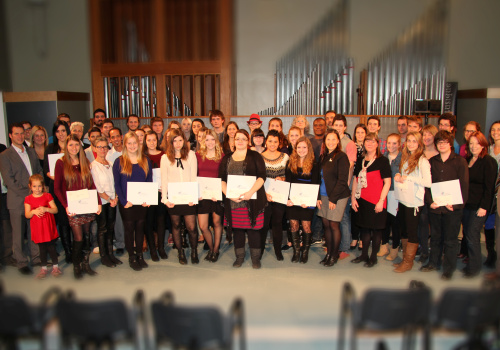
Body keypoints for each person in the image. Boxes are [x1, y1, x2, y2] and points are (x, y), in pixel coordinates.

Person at [421, 130, 469, 280]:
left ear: (450, 144)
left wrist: (456, 205)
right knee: (435, 237)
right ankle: (433, 263)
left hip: (452, 209)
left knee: (450, 240)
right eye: (439, 142)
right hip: (436, 207)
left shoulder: (460, 161)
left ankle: (448, 268)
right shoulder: (432, 161)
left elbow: (464, 185)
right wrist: (430, 202)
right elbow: (427, 185)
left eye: (444, 142)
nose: (442, 145)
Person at [54, 134, 102, 279]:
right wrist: (66, 206)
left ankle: (86, 264)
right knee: (78, 237)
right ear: (66, 147)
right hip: (73, 207)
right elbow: (57, 188)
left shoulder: (85, 161)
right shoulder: (60, 163)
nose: (74, 148)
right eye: (71, 145)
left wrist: (98, 202)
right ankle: (77, 266)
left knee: (87, 236)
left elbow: (92, 184)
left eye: (76, 145)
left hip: (87, 205)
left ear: (80, 146)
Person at [0, 123, 44, 275]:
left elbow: (38, 171)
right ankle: (21, 262)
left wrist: (39, 189)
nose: (20, 136)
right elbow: (9, 181)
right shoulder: (5, 155)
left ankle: (37, 258)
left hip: (34, 199)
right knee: (18, 234)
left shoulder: (31, 152)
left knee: (34, 231)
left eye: (21, 133)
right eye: (16, 134)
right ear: (11, 136)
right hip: (17, 201)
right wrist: (29, 193)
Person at [219, 129, 267, 269]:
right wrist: (229, 194)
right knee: (238, 230)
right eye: (237, 138)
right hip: (232, 201)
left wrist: (250, 192)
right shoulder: (226, 158)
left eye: (243, 139)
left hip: (252, 200)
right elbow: (221, 179)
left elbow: (262, 176)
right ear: (233, 141)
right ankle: (239, 257)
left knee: (254, 230)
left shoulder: (255, 156)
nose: (240, 141)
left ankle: (255, 258)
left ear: (248, 141)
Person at [392, 132, 432, 273]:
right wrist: (398, 175)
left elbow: (428, 182)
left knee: (412, 231)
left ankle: (408, 262)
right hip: (404, 199)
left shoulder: (422, 160)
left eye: (414, 141)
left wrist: (409, 178)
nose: (411, 143)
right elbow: (402, 173)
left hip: (414, 201)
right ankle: (404, 259)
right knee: (404, 229)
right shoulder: (405, 157)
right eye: (409, 141)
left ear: (419, 143)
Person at [351, 133, 391, 268]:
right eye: (367, 141)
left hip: (376, 201)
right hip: (362, 200)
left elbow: (387, 182)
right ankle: (363, 255)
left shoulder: (382, 161)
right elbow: (356, 181)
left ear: (377, 143)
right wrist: (353, 198)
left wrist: (381, 201)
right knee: (364, 230)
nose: (369, 143)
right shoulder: (361, 160)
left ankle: (373, 257)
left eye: (372, 141)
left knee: (376, 230)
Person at [113, 131, 152, 271]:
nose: (132, 146)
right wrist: (123, 201)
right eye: (129, 143)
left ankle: (140, 255)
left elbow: (149, 181)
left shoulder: (145, 160)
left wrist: (148, 199)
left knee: (140, 228)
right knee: (129, 229)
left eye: (134, 143)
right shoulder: (119, 161)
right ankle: (132, 257)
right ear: (125, 145)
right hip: (127, 203)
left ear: (139, 143)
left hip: (142, 202)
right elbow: (117, 184)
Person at [461, 131, 497, 277]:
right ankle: (472, 263)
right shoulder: (468, 160)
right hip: (467, 204)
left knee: (472, 234)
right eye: (471, 143)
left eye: (477, 143)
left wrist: (484, 207)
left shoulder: (489, 161)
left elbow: (489, 188)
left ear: (483, 145)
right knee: (467, 234)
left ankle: (474, 268)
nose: (474, 146)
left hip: (479, 207)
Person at [161, 129, 198, 265]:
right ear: (170, 142)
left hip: (189, 197)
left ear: (184, 141)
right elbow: (164, 180)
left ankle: (194, 251)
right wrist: (165, 199)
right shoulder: (165, 158)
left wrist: (193, 197)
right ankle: (180, 252)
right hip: (173, 198)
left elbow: (194, 177)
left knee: (191, 227)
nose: (177, 143)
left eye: (180, 140)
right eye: (174, 141)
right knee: (176, 225)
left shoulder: (191, 155)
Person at [317, 130, 350, 267]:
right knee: (326, 225)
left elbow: (342, 180)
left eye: (333, 139)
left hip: (337, 196)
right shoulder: (323, 156)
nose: (330, 142)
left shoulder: (341, 157)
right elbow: (318, 179)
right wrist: (318, 196)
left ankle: (334, 255)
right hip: (323, 196)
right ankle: (329, 253)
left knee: (334, 225)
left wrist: (333, 199)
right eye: (328, 139)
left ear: (338, 141)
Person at [285, 136, 319, 261]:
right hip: (293, 201)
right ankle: (296, 251)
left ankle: (305, 252)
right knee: (293, 226)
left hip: (307, 202)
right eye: (299, 147)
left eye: (304, 147)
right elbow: (288, 182)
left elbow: (315, 184)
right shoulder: (290, 163)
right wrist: (287, 199)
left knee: (306, 226)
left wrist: (309, 202)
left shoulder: (314, 164)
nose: (301, 150)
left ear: (308, 148)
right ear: (295, 148)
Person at [91, 136, 122, 268]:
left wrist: (115, 197)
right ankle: (104, 256)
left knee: (111, 228)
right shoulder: (93, 166)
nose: (103, 149)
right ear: (95, 148)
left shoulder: (110, 163)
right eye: (100, 147)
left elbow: (115, 183)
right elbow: (98, 188)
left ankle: (111, 254)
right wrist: (109, 199)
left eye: (105, 147)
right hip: (102, 202)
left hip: (112, 201)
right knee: (102, 228)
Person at [44, 120, 72, 263]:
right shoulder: (50, 148)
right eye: (58, 131)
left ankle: (75, 248)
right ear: (54, 133)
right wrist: (54, 176)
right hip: (57, 188)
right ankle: (68, 252)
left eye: (63, 130)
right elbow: (46, 170)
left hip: (71, 188)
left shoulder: (72, 146)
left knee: (73, 219)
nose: (61, 134)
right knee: (62, 221)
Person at [24, 174, 60, 279]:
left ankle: (56, 266)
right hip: (38, 228)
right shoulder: (28, 199)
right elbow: (27, 215)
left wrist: (46, 209)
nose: (37, 189)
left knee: (51, 247)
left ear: (43, 186)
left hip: (48, 227)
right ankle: (43, 268)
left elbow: (55, 209)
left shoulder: (47, 196)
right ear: (30, 186)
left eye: (39, 186)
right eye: (34, 186)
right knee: (42, 248)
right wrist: (33, 211)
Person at [260, 130, 289, 261]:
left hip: (279, 195)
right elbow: (256, 177)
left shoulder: (285, 157)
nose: (272, 144)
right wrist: (263, 193)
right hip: (263, 195)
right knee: (264, 224)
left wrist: (283, 178)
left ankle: (278, 250)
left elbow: (290, 175)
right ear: (266, 141)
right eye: (270, 141)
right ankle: (259, 250)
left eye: (275, 141)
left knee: (277, 223)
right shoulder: (259, 156)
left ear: (279, 143)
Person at [196, 129, 225, 262]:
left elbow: (224, 177)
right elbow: (194, 176)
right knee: (203, 226)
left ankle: (216, 250)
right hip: (202, 195)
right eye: (207, 139)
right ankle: (211, 246)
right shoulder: (197, 156)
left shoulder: (222, 157)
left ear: (216, 141)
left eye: (212, 139)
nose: (210, 142)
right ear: (203, 141)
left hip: (217, 194)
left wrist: (217, 193)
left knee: (217, 222)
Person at [143, 131, 168, 261]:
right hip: (148, 193)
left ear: (157, 141)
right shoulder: (142, 156)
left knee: (161, 221)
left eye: (154, 140)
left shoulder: (164, 155)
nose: (152, 142)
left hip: (161, 193)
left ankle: (161, 248)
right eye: (149, 140)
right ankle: (152, 249)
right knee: (148, 222)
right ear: (145, 142)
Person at [418, 124, 439, 264]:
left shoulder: (440, 154)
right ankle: (424, 250)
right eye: (424, 135)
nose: (426, 137)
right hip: (421, 195)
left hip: (436, 194)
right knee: (422, 224)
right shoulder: (419, 154)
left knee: (437, 226)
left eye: (429, 134)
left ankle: (437, 252)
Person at [379, 133, 402, 261]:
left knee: (395, 223)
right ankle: (384, 246)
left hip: (396, 194)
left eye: (394, 143)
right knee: (384, 221)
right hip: (384, 192)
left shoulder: (403, 158)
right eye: (389, 143)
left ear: (399, 144)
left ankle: (394, 248)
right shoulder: (383, 158)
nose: (391, 146)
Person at [350, 123, 367, 250]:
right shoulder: (352, 146)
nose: (360, 135)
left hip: (366, 185)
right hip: (354, 181)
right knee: (354, 211)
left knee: (363, 212)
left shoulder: (368, 148)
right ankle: (354, 238)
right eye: (358, 132)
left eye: (362, 132)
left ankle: (362, 239)